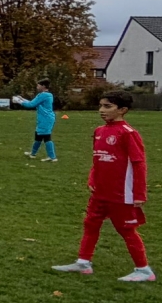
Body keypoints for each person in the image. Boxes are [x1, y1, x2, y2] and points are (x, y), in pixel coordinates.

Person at [53, 90, 155, 282]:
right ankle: (83, 262)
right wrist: (92, 179)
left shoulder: (128, 133)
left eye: (108, 106)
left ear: (122, 110)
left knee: (126, 230)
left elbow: (139, 164)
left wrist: (139, 194)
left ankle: (144, 270)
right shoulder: (99, 131)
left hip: (121, 193)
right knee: (90, 224)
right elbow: (97, 159)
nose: (101, 110)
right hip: (100, 191)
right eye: (100, 105)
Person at [11, 79, 58, 160]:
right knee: (38, 136)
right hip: (44, 118)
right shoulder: (44, 95)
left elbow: (30, 105)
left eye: (38, 85)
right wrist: (22, 99)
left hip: (46, 119)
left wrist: (19, 101)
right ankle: (33, 154)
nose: (37, 87)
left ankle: (52, 157)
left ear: (43, 86)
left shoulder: (43, 95)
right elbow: (33, 102)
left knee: (46, 137)